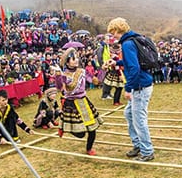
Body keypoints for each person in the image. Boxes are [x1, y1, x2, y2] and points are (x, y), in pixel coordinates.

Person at [107, 17, 155, 161]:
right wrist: (117, 62)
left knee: (139, 119)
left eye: (113, 32)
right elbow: (131, 62)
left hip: (139, 86)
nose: (112, 35)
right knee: (129, 114)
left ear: (118, 30)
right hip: (140, 84)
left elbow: (134, 68)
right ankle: (138, 144)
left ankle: (147, 151)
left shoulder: (127, 44)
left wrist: (128, 88)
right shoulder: (132, 40)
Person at [54, 48, 103, 155]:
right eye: (73, 59)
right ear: (67, 62)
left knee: (92, 129)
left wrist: (103, 69)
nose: (76, 60)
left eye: (76, 58)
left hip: (84, 102)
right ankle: (66, 128)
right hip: (71, 104)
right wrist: (57, 75)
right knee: (80, 134)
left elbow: (97, 81)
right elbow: (59, 88)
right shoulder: (64, 74)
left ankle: (89, 149)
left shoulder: (83, 71)